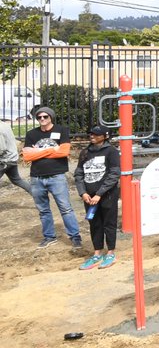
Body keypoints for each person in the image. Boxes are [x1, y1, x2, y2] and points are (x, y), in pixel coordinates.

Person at [22, 105, 82, 250]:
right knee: (43, 210)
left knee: (66, 208)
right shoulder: (31, 134)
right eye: (39, 117)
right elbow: (27, 156)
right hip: (36, 178)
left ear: (51, 117)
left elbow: (64, 152)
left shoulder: (61, 130)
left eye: (45, 117)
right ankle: (49, 237)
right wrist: (51, 149)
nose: (42, 119)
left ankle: (75, 237)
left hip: (57, 176)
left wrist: (38, 151)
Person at [74, 125, 120, 270]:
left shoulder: (111, 151)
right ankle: (97, 253)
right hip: (89, 197)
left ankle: (111, 252)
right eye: (90, 133)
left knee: (109, 223)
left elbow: (114, 174)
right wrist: (83, 193)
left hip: (107, 196)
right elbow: (79, 173)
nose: (91, 136)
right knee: (94, 223)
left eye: (95, 134)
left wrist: (99, 194)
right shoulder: (85, 152)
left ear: (105, 136)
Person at [1, 118, 33, 195]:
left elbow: (1, 149)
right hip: (12, 158)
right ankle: (38, 195)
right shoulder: (5, 125)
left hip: (4, 161)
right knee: (17, 180)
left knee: (17, 180)